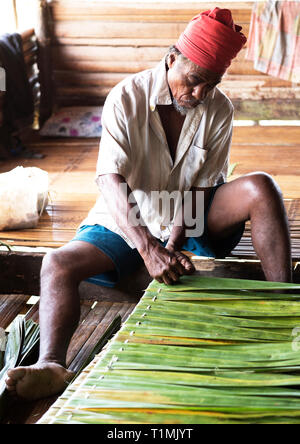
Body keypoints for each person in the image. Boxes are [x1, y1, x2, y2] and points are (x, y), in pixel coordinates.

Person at [5, 7, 292, 400]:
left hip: (190, 216)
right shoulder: (127, 97)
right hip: (126, 218)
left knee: (262, 187)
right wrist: (146, 247)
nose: (200, 94)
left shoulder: (218, 108)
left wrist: (170, 246)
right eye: (194, 81)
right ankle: (52, 365)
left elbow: (202, 186)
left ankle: (285, 310)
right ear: (172, 58)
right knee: (56, 265)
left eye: (212, 84)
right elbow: (109, 179)